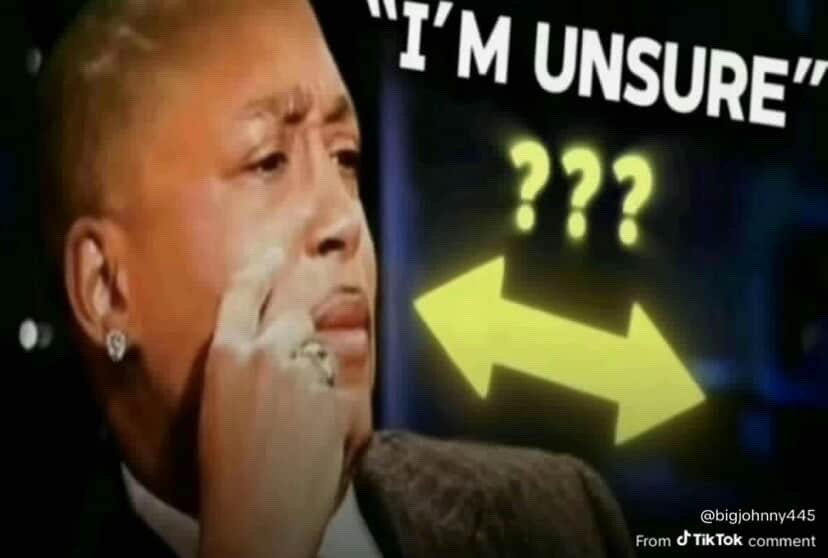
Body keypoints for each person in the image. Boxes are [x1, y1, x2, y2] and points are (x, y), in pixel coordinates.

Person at [37, 0, 635, 556]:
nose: (345, 221)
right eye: (269, 161)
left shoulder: (559, 518)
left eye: (345, 158)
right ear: (106, 287)